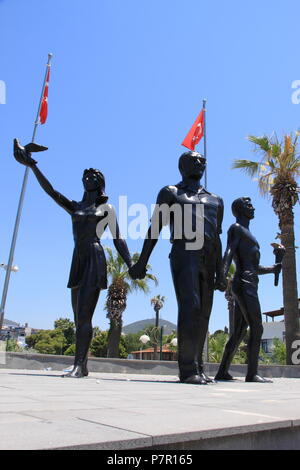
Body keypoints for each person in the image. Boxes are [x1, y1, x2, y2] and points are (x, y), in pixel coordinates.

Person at [13, 138, 132, 378]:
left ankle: (78, 366)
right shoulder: (75, 206)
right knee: (78, 317)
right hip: (77, 258)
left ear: (100, 184)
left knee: (85, 314)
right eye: (86, 177)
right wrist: (33, 165)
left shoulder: (106, 209)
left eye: (93, 178)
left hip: (95, 257)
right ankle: (83, 364)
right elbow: (52, 192)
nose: (88, 180)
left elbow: (118, 238)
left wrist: (131, 264)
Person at [129, 151, 226, 384]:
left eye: (202, 160)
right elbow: (155, 227)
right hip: (184, 252)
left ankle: (199, 366)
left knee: (204, 312)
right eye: (194, 160)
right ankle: (188, 369)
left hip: (209, 256)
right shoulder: (171, 192)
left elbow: (218, 237)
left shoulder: (216, 200)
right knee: (190, 306)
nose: (200, 162)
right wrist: (142, 261)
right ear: (182, 166)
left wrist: (221, 271)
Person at [215, 197, 281, 383]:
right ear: (240, 210)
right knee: (257, 327)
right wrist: (221, 274)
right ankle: (252, 373)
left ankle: (222, 371)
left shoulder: (248, 234)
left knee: (238, 332)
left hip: (249, 282)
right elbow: (228, 252)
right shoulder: (236, 229)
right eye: (248, 205)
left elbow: (254, 267)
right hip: (244, 284)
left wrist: (274, 268)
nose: (253, 208)